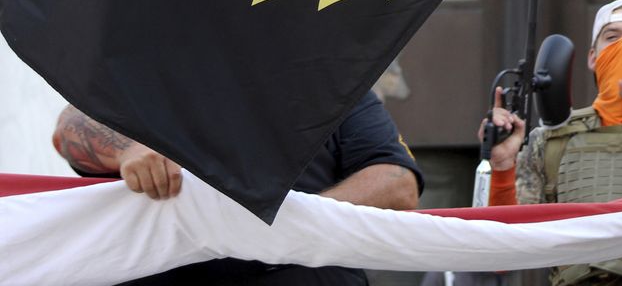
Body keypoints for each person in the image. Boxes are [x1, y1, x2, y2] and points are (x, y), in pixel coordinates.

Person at [53, 90, 423, 284]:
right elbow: (70, 127)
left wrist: (289, 222)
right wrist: (128, 150)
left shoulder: (333, 84)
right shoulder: (140, 76)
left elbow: (398, 184)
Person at [481, 0, 622, 286]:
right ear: (593, 57)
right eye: (612, 37)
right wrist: (503, 165)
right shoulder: (551, 141)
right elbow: (504, 252)